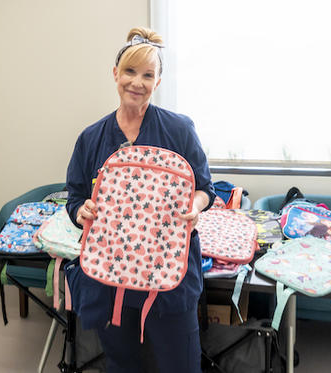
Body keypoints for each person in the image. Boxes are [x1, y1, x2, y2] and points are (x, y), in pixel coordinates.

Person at [64, 27, 215, 373]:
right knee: (121, 364)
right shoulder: (91, 138)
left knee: (181, 364)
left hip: (168, 276)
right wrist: (80, 210)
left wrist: (195, 206)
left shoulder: (179, 130)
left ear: (158, 82)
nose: (137, 82)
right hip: (110, 275)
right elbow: (74, 195)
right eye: (130, 72)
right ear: (115, 73)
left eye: (148, 75)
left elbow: (205, 187)